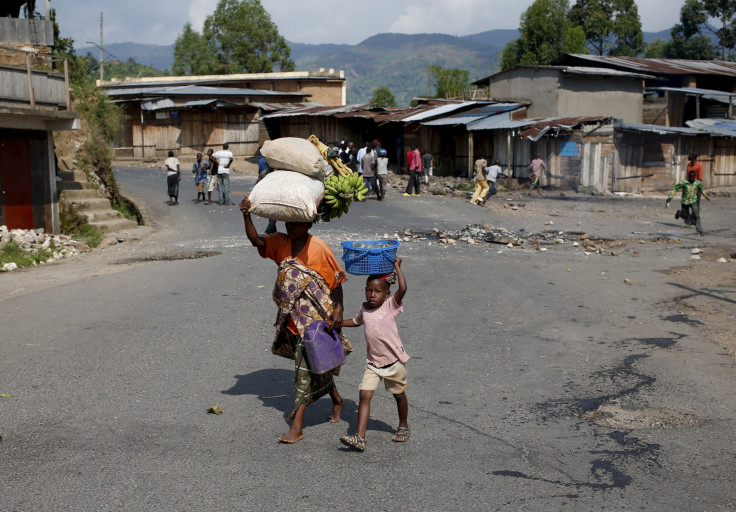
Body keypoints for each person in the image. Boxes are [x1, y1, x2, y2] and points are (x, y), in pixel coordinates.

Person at [239, 196, 352, 444]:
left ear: (309, 223)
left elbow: (335, 282)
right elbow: (257, 241)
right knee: (314, 361)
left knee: (303, 370)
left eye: (297, 222)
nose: (291, 226)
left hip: (314, 318)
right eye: (288, 221)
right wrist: (247, 214)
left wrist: (339, 309)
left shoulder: (319, 248)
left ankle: (297, 428)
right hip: (291, 316)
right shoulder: (280, 242)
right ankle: (337, 400)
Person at [339, 259, 409, 452]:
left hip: (393, 363)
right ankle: (360, 437)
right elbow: (355, 321)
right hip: (373, 364)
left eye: (378, 291)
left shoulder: (390, 306)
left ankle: (403, 424)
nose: (372, 295)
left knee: (398, 395)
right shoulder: (364, 308)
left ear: (386, 294)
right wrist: (337, 323)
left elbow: (402, 288)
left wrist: (397, 268)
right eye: (369, 290)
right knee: (364, 395)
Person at [667, 169, 710, 235]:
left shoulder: (697, 182)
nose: (692, 178)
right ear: (688, 177)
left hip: (693, 201)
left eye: (693, 177)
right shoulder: (684, 183)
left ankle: (700, 230)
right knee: (684, 216)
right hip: (685, 202)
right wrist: (670, 197)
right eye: (691, 177)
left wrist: (705, 196)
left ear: (695, 176)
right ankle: (680, 212)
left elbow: (701, 188)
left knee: (697, 215)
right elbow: (675, 188)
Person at [256, 155, 278, 235]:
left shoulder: (264, 172)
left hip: (273, 195)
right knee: (272, 214)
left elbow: (257, 183)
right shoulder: (277, 173)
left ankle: (269, 230)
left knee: (272, 214)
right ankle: (273, 231)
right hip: (271, 195)